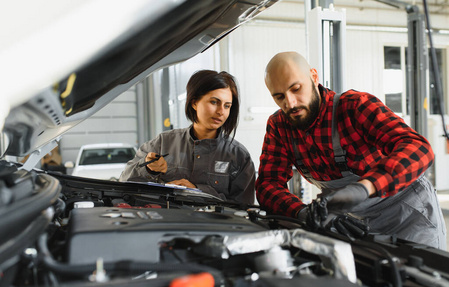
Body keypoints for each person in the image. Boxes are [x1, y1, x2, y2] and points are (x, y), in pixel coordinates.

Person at [256, 51, 447, 249]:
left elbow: (418, 148)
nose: (290, 103)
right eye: (279, 97)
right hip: (356, 224)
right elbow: (267, 184)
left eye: (296, 89)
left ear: (314, 77)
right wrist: (303, 213)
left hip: (410, 216)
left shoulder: (354, 107)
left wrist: (365, 187)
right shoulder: (279, 126)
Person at [120, 70, 255, 204]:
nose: (221, 112)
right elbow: (125, 184)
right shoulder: (162, 143)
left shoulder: (238, 156)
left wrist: (197, 191)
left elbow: (243, 209)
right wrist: (148, 169)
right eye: (214, 102)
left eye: (227, 106)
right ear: (194, 102)